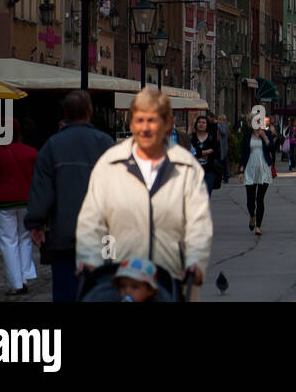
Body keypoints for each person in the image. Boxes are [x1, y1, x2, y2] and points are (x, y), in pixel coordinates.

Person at [76, 89, 212, 301]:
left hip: (172, 274)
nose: (146, 128)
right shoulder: (110, 164)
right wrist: (90, 258)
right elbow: (92, 219)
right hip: (121, 276)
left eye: (153, 120)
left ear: (168, 123)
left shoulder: (186, 167)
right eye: (139, 120)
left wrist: (196, 260)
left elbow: (198, 223)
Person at [26, 90, 115, 302]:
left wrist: (36, 223)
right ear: (90, 112)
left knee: (65, 290)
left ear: (65, 114)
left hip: (65, 234)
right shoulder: (105, 144)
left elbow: (41, 189)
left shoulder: (52, 146)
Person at [0, 120, 39, 296]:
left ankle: (16, 283)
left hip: (5, 201)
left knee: (8, 241)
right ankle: (23, 277)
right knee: (24, 238)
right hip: (27, 200)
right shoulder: (31, 152)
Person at [240, 111, 275, 235]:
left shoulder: (267, 133)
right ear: (251, 122)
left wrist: (265, 137)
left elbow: (272, 149)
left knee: (260, 198)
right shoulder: (247, 135)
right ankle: (252, 215)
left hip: (263, 167)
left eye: (259, 120)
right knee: (250, 198)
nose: (258, 123)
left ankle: (258, 226)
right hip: (250, 167)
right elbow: (244, 153)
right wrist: (241, 170)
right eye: (255, 120)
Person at [190, 115, 222, 195]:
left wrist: (200, 153)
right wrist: (206, 152)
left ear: (207, 125)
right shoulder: (191, 138)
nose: (201, 124)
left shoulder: (212, 137)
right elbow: (191, 153)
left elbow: (217, 153)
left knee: (206, 194)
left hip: (209, 170)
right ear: (196, 124)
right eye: (199, 122)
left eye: (204, 122)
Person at [216, 115, 231, 182]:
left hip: (222, 147)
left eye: (219, 119)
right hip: (221, 146)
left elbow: (224, 132)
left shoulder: (223, 125)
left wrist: (218, 126)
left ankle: (225, 177)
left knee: (221, 163)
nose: (218, 121)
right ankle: (225, 177)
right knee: (223, 163)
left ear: (222, 120)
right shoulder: (223, 125)